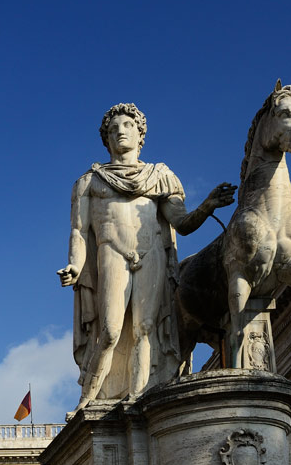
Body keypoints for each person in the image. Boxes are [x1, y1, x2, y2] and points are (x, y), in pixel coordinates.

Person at [59, 103, 236, 411]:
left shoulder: (160, 177)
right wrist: (75, 264)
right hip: (110, 252)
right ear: (106, 139)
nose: (120, 132)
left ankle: (139, 399)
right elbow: (78, 231)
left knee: (146, 328)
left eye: (127, 126)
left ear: (140, 135)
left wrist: (207, 205)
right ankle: (88, 399)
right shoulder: (89, 182)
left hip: (151, 252)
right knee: (111, 330)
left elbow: (181, 223)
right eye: (113, 130)